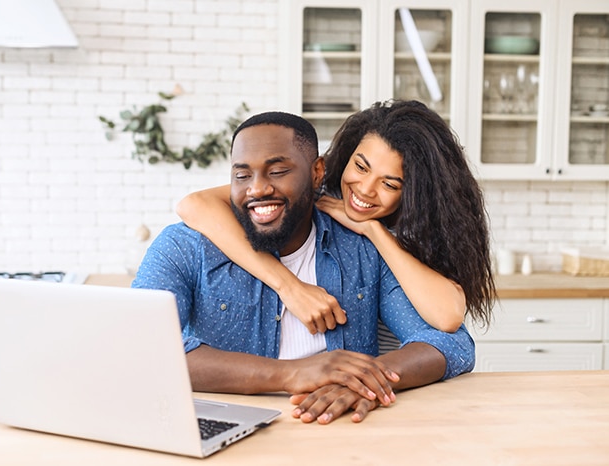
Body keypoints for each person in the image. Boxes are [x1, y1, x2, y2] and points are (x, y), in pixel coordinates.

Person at [132, 110, 475, 425]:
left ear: (316, 173)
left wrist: (364, 377)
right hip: (227, 432)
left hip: (341, 432)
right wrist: (291, 373)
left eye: (279, 171)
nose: (258, 188)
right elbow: (141, 348)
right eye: (242, 174)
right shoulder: (185, 246)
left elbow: (451, 342)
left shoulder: (363, 248)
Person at [176, 100, 496, 352]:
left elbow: (449, 316)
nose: (365, 189)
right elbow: (193, 205)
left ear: (414, 191)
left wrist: (374, 232)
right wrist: (290, 287)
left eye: (389, 183)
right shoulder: (311, 196)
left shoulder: (411, 232)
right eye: (360, 166)